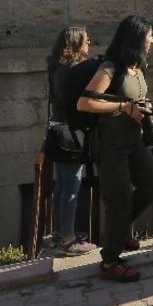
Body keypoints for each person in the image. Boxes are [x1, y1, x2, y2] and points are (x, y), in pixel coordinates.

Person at [77, 14, 153, 282]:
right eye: (149, 35)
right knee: (120, 201)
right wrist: (124, 107)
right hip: (112, 146)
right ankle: (110, 261)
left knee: (151, 184)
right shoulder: (110, 68)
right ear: (137, 37)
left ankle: (121, 228)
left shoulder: (137, 67)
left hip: (134, 141)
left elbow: (133, 98)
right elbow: (84, 103)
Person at [45, 26, 97, 256]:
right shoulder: (76, 70)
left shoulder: (57, 68)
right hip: (71, 134)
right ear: (76, 44)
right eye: (86, 40)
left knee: (61, 187)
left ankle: (59, 234)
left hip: (56, 129)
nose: (89, 43)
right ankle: (68, 239)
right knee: (72, 189)